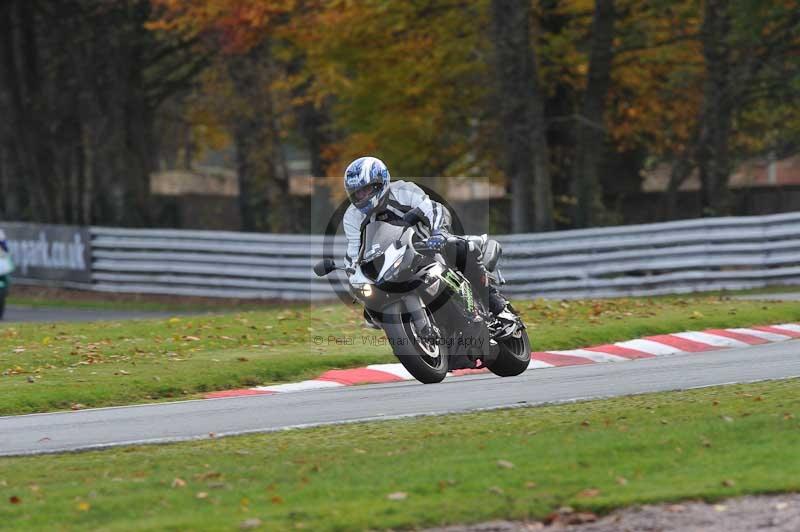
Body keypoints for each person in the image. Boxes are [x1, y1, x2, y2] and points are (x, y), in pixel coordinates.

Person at [341, 156, 508, 319]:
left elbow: (432, 209)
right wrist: (356, 277)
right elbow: (355, 252)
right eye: (357, 193)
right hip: (389, 265)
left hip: (428, 247)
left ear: (380, 183)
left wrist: (439, 232)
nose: (362, 196)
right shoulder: (352, 216)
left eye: (366, 190)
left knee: (464, 248)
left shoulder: (403, 191)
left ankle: (497, 306)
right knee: (371, 310)